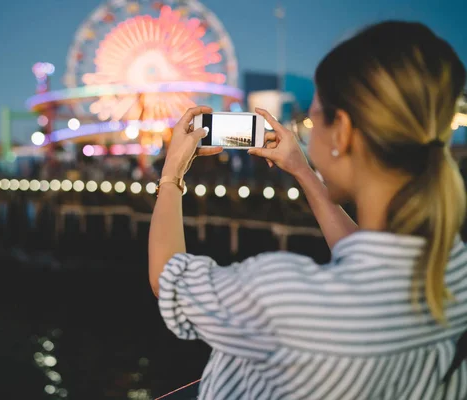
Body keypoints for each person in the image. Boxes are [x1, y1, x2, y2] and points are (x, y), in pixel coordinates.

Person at [148, 21, 467, 399]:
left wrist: (171, 175)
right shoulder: (451, 270)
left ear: (343, 131)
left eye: (314, 120)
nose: (307, 132)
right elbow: (369, 258)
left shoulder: (286, 296)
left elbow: (170, 279)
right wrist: (303, 171)